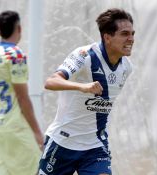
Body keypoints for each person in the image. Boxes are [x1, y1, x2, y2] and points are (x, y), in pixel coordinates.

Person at [38, 8, 135, 175]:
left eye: (133, 33)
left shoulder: (127, 68)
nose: (131, 39)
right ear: (107, 37)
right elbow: (50, 82)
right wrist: (82, 87)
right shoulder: (84, 56)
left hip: (95, 146)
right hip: (63, 142)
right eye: (125, 33)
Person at [0, 10, 44, 175]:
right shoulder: (15, 55)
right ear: (19, 28)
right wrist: (37, 132)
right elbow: (22, 97)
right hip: (16, 129)